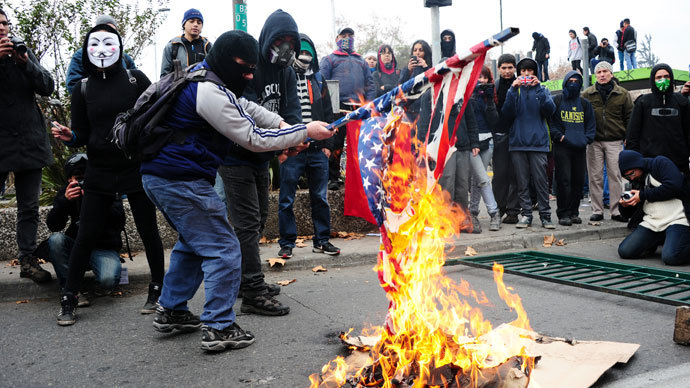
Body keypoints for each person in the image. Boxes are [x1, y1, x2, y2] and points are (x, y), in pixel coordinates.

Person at [139, 30, 334, 352]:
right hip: (178, 180)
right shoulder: (207, 92)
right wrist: (303, 131)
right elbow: (252, 137)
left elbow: (250, 110)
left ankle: (171, 310)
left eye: (251, 69)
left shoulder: (208, 80)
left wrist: (288, 130)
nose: (248, 74)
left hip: (166, 177)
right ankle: (219, 326)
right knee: (224, 247)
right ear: (226, 61)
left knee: (193, 241)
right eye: (243, 67)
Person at [51, 24, 165, 325]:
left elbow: (157, 114)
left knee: (148, 229)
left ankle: (158, 291)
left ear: (119, 47)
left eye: (108, 43)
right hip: (99, 170)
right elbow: (82, 134)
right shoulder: (83, 88)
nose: (102, 50)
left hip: (135, 166)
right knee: (86, 233)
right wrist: (70, 135)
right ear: (86, 50)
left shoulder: (135, 79)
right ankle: (69, 297)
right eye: (95, 44)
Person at [219, 9, 301, 317]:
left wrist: (294, 139)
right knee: (247, 223)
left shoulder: (287, 72)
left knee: (259, 218)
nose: (286, 47)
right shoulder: (252, 66)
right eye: (280, 40)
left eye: (291, 41)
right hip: (235, 155)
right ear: (268, 38)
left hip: (261, 157)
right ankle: (252, 292)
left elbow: (292, 111)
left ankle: (246, 280)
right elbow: (249, 110)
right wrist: (284, 137)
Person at [0, 8, 54, 283]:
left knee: (29, 207)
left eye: (5, 23)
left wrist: (25, 63)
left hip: (29, 141)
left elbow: (48, 86)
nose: (2, 29)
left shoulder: (23, 52)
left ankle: (28, 260)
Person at [277, 33, 339, 260]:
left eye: (308, 52)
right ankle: (286, 244)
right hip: (292, 148)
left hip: (317, 150)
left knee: (320, 197)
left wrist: (328, 146)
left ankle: (322, 240)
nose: (304, 55)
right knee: (286, 199)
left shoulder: (319, 79)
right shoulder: (285, 76)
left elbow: (328, 112)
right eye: (301, 51)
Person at [42, 154, 124, 292]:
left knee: (108, 281)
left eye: (86, 177)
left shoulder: (105, 189)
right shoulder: (66, 192)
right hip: (76, 246)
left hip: (103, 248)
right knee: (55, 240)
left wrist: (97, 201)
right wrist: (64, 202)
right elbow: (54, 226)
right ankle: (69, 289)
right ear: (69, 179)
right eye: (78, 178)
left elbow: (119, 222)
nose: (82, 182)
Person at [501, 57, 557, 229]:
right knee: (522, 182)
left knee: (541, 182)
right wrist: (512, 89)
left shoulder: (543, 89)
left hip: (538, 143)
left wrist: (538, 88)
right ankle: (526, 215)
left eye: (530, 71)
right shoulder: (514, 91)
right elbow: (507, 113)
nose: (526, 74)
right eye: (523, 71)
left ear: (535, 73)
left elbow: (550, 110)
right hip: (518, 143)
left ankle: (546, 216)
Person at [320, 27, 374, 190]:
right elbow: (322, 82)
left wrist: (368, 105)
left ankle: (357, 178)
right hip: (337, 108)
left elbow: (370, 84)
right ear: (337, 38)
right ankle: (333, 178)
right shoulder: (330, 59)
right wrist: (327, 107)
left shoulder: (361, 61)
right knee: (335, 142)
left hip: (358, 108)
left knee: (357, 144)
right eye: (343, 35)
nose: (347, 38)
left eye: (350, 35)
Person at [617, 150, 690, 265]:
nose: (631, 178)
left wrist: (642, 195)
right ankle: (654, 242)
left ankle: (675, 242)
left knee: (671, 257)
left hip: (677, 218)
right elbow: (627, 215)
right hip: (652, 222)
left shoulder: (659, 163)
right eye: (626, 176)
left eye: (632, 173)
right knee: (625, 251)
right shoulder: (634, 181)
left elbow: (674, 186)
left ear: (638, 165)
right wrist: (624, 205)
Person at [581, 61, 633, 223]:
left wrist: (627, 137)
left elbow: (630, 116)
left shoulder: (623, 94)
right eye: (599, 72)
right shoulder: (587, 94)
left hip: (615, 140)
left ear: (611, 73)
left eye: (605, 71)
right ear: (595, 75)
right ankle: (597, 210)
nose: (602, 75)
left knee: (615, 176)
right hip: (594, 141)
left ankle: (616, 210)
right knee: (595, 177)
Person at [418, 86, 479, 214]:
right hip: (441, 147)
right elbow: (423, 122)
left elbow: (470, 119)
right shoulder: (430, 95)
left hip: (462, 144)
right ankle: (444, 218)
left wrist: (474, 142)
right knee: (446, 182)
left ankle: (462, 217)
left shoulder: (462, 94)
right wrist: (423, 145)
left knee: (462, 184)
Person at [550, 71, 596, 226]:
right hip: (562, 148)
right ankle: (563, 213)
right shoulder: (557, 100)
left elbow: (591, 126)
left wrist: (586, 139)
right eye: (571, 80)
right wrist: (560, 137)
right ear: (565, 82)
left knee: (578, 181)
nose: (574, 83)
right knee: (564, 181)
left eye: (577, 81)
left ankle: (574, 212)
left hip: (580, 148)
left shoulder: (585, 104)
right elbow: (552, 124)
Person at [626, 63, 690, 173]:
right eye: (659, 77)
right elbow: (633, 134)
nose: (663, 80)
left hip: (679, 164)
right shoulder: (643, 102)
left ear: (671, 78)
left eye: (666, 77)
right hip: (650, 163)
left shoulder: (682, 102)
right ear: (653, 80)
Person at [65, 15, 136, 94]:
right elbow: (73, 84)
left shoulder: (125, 58)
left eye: (113, 30)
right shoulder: (80, 55)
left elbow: (135, 82)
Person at [469, 66, 501, 232]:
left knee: (477, 180)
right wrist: (473, 95)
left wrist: (489, 102)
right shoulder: (468, 96)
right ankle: (494, 212)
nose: (481, 81)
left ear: (489, 80)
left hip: (488, 141)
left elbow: (494, 121)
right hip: (472, 143)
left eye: (485, 78)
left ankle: (473, 212)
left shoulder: (490, 97)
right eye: (478, 77)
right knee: (482, 178)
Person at [493, 54, 521, 224]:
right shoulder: (494, 86)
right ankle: (499, 208)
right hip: (500, 135)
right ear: (499, 69)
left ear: (515, 68)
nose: (507, 71)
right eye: (504, 68)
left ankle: (512, 211)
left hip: (518, 135)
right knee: (499, 174)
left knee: (516, 175)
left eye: (510, 67)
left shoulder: (521, 85)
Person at [160, 8, 212, 77]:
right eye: (191, 21)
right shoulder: (172, 46)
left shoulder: (208, 46)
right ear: (184, 24)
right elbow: (164, 76)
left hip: (202, 86)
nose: (195, 25)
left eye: (199, 22)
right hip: (180, 87)